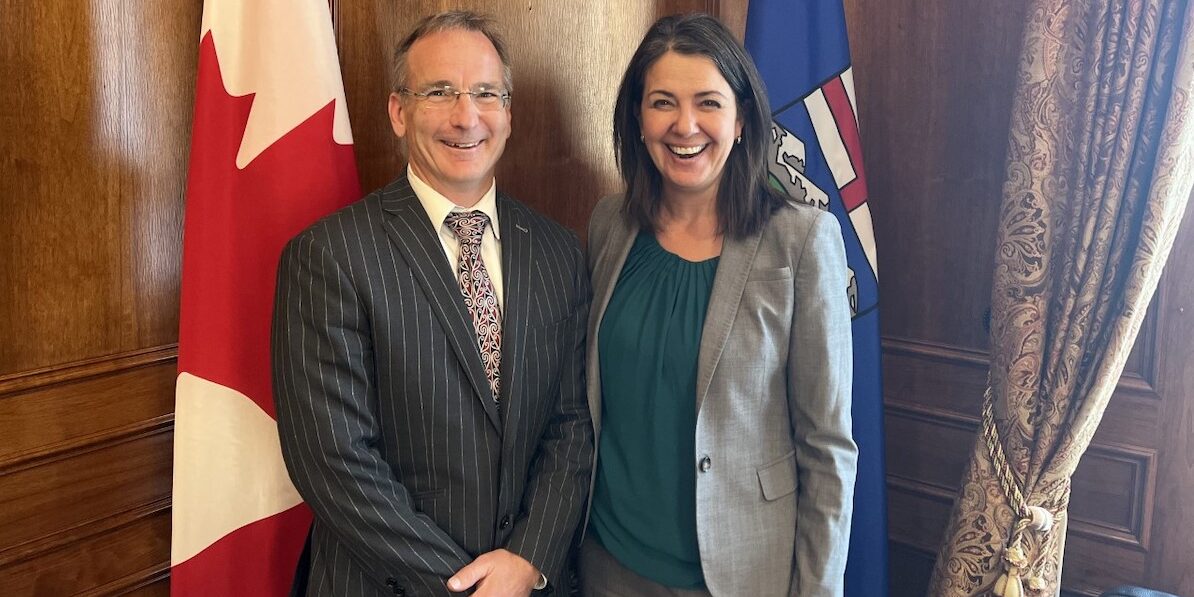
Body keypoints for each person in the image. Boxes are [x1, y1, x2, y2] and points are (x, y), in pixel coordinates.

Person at [272, 11, 592, 597]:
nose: (466, 116)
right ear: (399, 111)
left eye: (485, 94)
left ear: (508, 113)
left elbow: (571, 426)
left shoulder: (558, 252)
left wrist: (527, 558)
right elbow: (335, 460)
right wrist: (465, 588)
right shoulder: (329, 255)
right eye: (440, 91)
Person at [582, 14, 857, 597]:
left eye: (708, 102)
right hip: (608, 564)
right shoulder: (609, 225)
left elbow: (828, 449)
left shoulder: (803, 240)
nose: (685, 125)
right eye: (662, 102)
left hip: (739, 575)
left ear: (741, 120)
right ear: (637, 117)